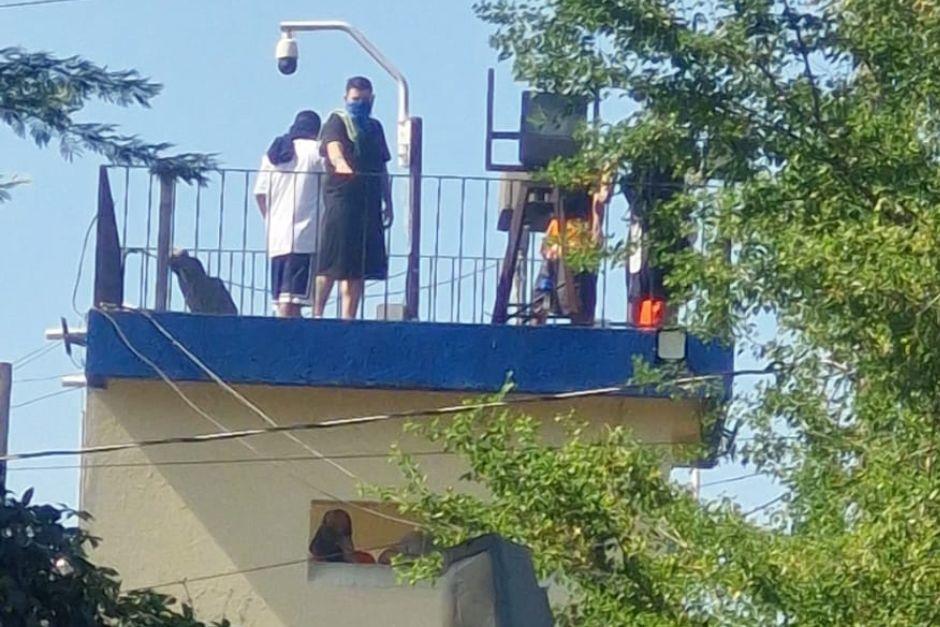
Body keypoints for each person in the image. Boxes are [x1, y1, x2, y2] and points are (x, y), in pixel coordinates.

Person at [314, 76, 393, 320]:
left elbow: (382, 167)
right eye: (356, 99)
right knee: (332, 258)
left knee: (357, 266)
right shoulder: (337, 121)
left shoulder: (375, 127)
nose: (360, 104)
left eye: (365, 100)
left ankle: (349, 317)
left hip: (368, 203)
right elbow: (333, 148)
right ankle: (318, 313)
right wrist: (342, 165)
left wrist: (388, 201)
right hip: (342, 199)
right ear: (346, 98)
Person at [254, 110, 325, 318]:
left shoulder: (274, 154)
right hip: (305, 235)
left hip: (277, 238)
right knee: (293, 300)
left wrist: (270, 220)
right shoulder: (317, 152)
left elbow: (260, 194)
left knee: (281, 299)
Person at [531, 180, 610, 326]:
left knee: (578, 292)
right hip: (563, 231)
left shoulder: (593, 173)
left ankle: (581, 325)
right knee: (546, 285)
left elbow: (601, 197)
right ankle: (538, 321)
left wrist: (597, 227)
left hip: (580, 234)